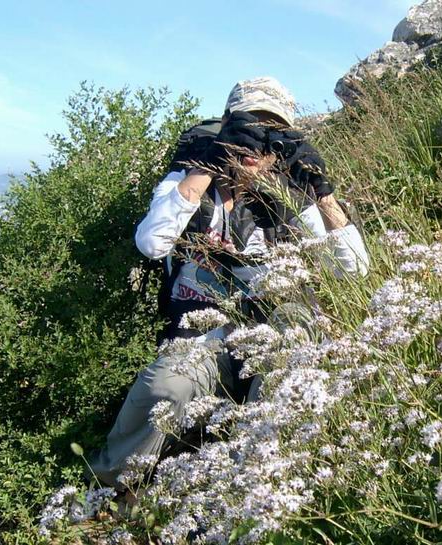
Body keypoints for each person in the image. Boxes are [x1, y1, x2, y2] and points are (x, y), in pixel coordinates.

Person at [89, 77, 369, 489]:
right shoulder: (187, 179)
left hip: (271, 332)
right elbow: (152, 243)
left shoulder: (289, 193)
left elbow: (354, 269)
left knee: (294, 345)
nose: (256, 144)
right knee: (164, 388)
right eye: (248, 126)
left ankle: (252, 480)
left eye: (270, 133)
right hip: (204, 337)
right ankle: (109, 485)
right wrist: (209, 163)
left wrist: (322, 193)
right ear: (227, 125)